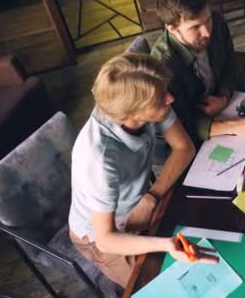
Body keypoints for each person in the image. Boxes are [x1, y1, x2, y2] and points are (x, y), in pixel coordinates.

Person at [68, 53, 218, 288]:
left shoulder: (146, 102)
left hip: (141, 202)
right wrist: (165, 244)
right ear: (133, 113)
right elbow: (106, 239)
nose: (170, 98)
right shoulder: (98, 158)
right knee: (164, 287)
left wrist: (151, 197)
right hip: (103, 235)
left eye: (165, 90)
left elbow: (184, 148)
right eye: (160, 99)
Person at [152, 0, 245, 145]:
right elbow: (178, 124)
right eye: (195, 27)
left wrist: (223, 96)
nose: (207, 32)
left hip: (224, 106)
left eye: (208, 19)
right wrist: (232, 126)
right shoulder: (163, 66)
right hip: (194, 135)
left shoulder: (217, 23)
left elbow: (229, 64)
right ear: (172, 29)